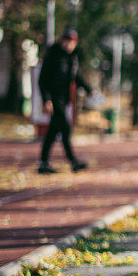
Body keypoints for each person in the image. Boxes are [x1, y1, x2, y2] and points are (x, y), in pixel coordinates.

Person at [38, 29, 92, 174]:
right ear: (62, 40)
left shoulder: (72, 58)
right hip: (55, 99)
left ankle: (43, 164)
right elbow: (42, 80)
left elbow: (77, 77)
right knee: (66, 129)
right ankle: (73, 161)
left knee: (52, 132)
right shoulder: (53, 55)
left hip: (64, 99)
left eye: (72, 41)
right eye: (66, 40)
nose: (68, 44)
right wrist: (46, 99)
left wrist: (89, 90)